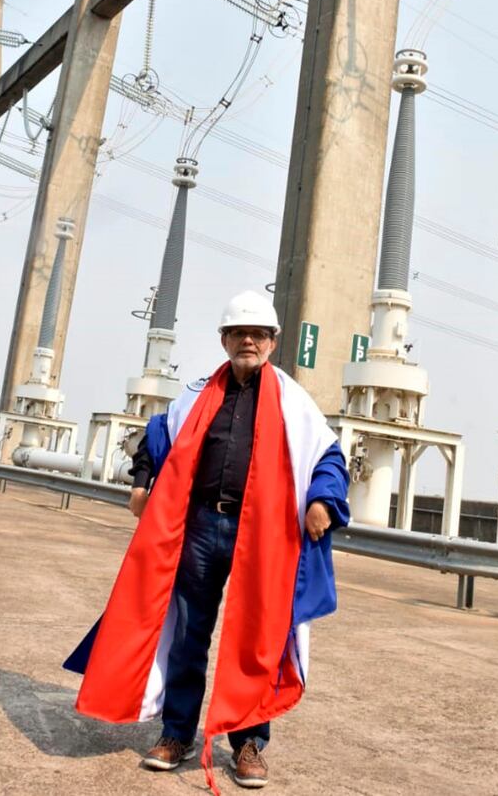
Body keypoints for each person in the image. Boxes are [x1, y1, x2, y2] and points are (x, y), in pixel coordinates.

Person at [65, 291, 350, 794]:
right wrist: (140, 481)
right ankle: (177, 735)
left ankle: (248, 743)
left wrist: (322, 501)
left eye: (258, 334)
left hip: (260, 535)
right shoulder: (196, 395)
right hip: (198, 529)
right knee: (189, 635)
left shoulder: (293, 403)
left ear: (272, 342)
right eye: (239, 333)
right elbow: (156, 437)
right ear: (223, 340)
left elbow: (329, 456)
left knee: (256, 641)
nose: (248, 341)